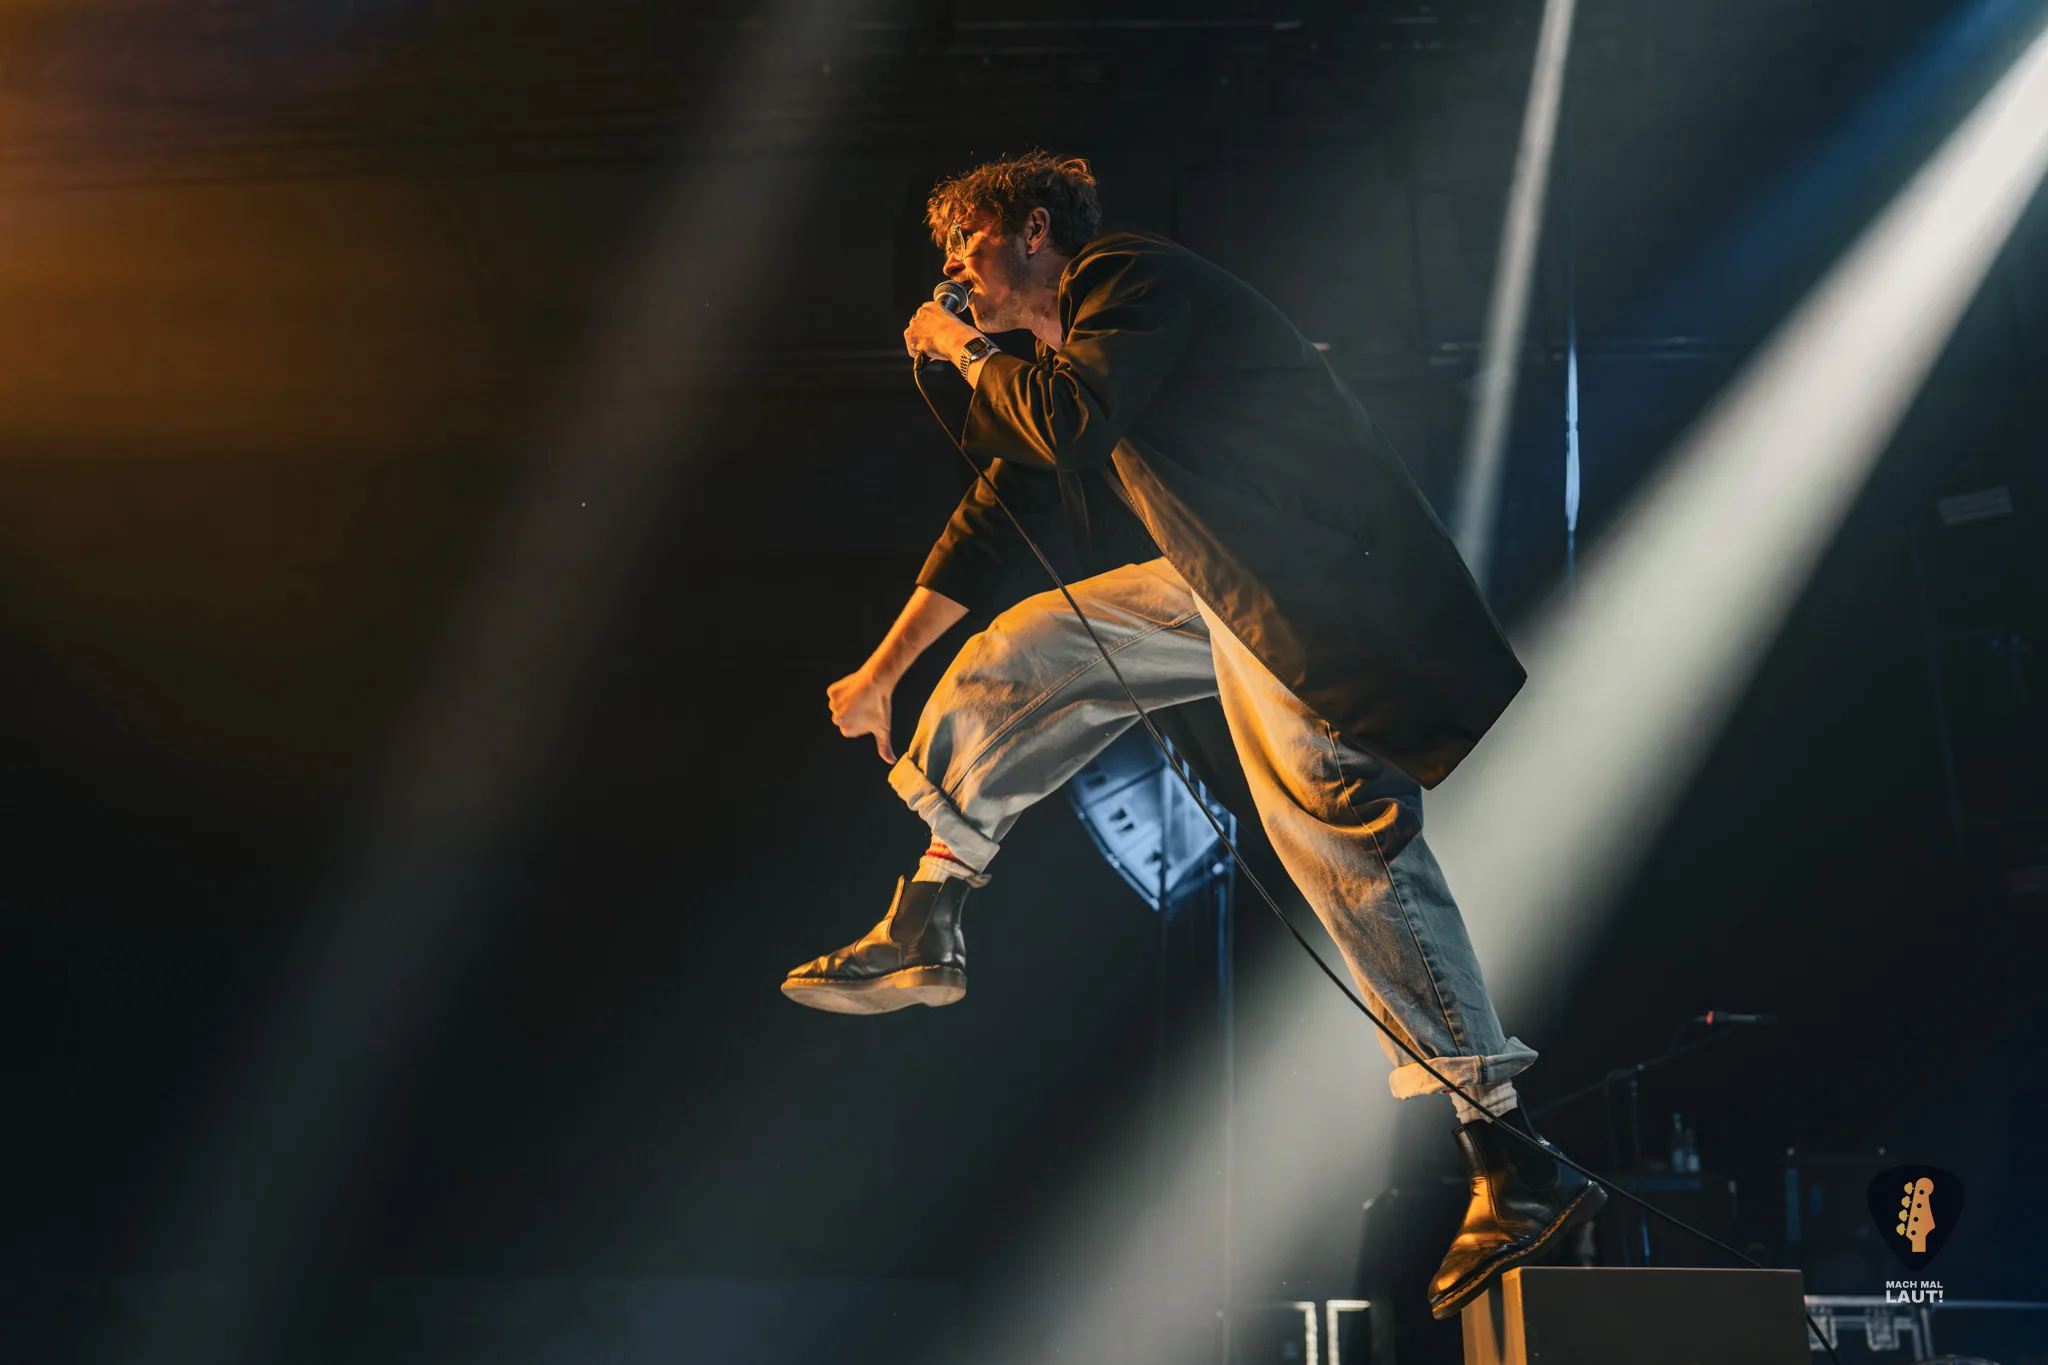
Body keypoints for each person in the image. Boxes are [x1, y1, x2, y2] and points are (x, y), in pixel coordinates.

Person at [781, 151, 1602, 1319]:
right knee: (1030, 650)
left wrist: (961, 351)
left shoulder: (1130, 279)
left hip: (1314, 595)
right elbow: (1000, 505)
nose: (953, 274)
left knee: (1334, 837)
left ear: (1029, 232)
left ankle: (1508, 1158)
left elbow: (1063, 430)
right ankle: (930, 912)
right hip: (1230, 585)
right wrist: (880, 674)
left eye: (965, 246)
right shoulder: (1066, 360)